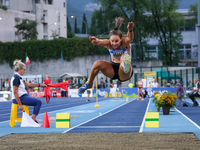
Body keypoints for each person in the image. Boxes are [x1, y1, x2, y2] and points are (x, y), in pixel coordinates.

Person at [78, 17, 134, 94]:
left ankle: (125, 65)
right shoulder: (108, 43)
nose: (114, 43)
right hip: (112, 70)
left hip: (124, 73)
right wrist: (95, 41)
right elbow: (99, 42)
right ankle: (88, 84)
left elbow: (130, 39)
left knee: (123, 56)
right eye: (112, 41)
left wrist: (130, 30)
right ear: (110, 40)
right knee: (97, 63)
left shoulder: (125, 43)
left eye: (116, 41)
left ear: (121, 39)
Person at [10, 59, 46, 125]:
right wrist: (20, 105)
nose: (25, 71)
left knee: (32, 97)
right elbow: (15, 92)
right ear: (20, 69)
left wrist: (40, 85)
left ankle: (32, 120)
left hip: (24, 96)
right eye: (24, 69)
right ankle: (33, 120)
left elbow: (28, 84)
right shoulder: (16, 79)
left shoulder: (19, 77)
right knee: (38, 102)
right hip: (19, 98)